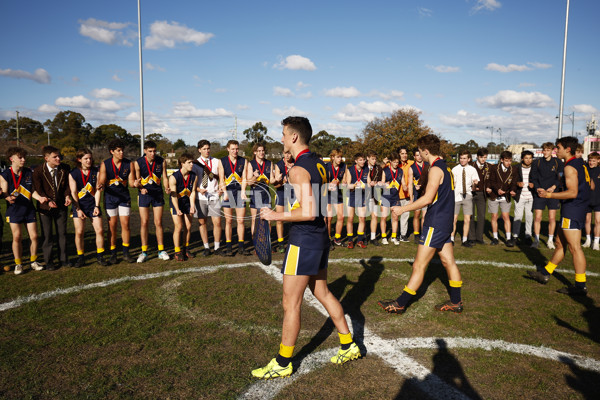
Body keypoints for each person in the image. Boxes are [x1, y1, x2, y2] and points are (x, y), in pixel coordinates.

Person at [253, 116, 360, 379]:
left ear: (293, 137)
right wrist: (285, 186)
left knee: (291, 303)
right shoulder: (318, 165)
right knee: (322, 292)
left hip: (303, 241)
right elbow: (310, 195)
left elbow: (309, 210)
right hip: (319, 239)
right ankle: (348, 344)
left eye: (283, 134)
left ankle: (282, 362)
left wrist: (275, 216)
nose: (280, 139)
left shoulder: (297, 169)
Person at [378, 134, 463, 315]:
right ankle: (456, 301)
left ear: (425, 151)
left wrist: (403, 209)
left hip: (436, 222)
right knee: (448, 262)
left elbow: (427, 199)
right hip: (446, 222)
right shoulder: (446, 168)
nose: (418, 154)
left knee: (418, 265)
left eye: (419, 151)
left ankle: (400, 303)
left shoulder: (435, 170)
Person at [527, 136, 592, 295]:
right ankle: (545, 273)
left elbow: (573, 192)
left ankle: (580, 286)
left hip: (573, 209)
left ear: (567, 149)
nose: (556, 150)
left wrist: (549, 196)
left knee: (575, 248)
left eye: (558, 147)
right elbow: (591, 185)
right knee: (560, 243)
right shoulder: (580, 163)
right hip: (575, 208)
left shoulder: (570, 167)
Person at [0, 147, 47, 275]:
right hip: (14, 210)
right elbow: (4, 192)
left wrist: (40, 198)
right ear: (11, 159)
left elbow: (32, 191)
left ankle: (33, 261)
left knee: (34, 236)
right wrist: (7, 197)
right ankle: (18, 264)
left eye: (24, 157)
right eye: (20, 157)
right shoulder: (4, 175)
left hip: (29, 209)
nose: (23, 160)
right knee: (17, 237)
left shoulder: (28, 172)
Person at [33, 145, 72, 270]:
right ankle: (49, 261)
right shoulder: (38, 171)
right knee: (47, 235)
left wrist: (67, 196)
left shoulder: (65, 168)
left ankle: (64, 259)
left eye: (59, 156)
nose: (58, 158)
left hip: (61, 206)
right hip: (45, 208)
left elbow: (67, 186)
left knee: (62, 234)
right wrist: (47, 201)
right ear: (46, 158)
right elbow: (38, 189)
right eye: (55, 157)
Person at [97, 139, 136, 264]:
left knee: (125, 225)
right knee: (112, 227)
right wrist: (101, 185)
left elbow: (131, 182)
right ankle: (113, 253)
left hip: (124, 198)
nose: (121, 152)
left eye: (122, 150)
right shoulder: (105, 164)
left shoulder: (129, 164)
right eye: (118, 150)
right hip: (110, 199)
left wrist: (135, 184)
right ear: (112, 152)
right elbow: (102, 180)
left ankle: (126, 252)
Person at [68, 149, 108, 267]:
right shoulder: (73, 173)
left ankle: (100, 256)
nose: (89, 160)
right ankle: (81, 257)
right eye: (86, 158)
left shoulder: (96, 171)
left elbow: (98, 190)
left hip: (92, 205)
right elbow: (74, 193)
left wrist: (97, 206)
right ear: (79, 160)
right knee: (79, 232)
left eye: (90, 158)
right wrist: (78, 209)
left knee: (100, 230)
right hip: (79, 206)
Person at [133, 141, 171, 262]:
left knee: (158, 222)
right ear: (145, 151)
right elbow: (137, 180)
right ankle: (144, 252)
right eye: (150, 151)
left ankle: (161, 250)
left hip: (158, 194)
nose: (153, 153)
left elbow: (164, 177)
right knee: (144, 222)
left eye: (154, 151)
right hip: (144, 194)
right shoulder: (138, 163)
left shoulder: (162, 161)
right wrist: (140, 188)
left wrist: (167, 187)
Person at [219, 140, 250, 256]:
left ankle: (241, 247)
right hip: (228, 193)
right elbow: (221, 179)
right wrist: (225, 193)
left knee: (241, 221)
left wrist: (243, 192)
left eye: (236, 149)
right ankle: (229, 247)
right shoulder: (222, 161)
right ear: (228, 149)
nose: (235, 151)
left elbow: (245, 178)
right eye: (232, 149)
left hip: (239, 193)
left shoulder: (243, 161)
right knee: (228, 221)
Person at [530, 142, 563, 249]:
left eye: (548, 150)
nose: (545, 152)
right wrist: (538, 188)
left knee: (552, 218)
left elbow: (561, 178)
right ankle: (536, 240)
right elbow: (533, 178)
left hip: (552, 194)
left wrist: (553, 187)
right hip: (539, 194)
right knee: (538, 217)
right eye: (544, 150)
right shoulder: (537, 162)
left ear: (552, 151)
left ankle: (550, 240)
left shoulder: (558, 162)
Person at [194, 139, 222, 257]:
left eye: (208, 148)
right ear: (199, 150)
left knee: (217, 222)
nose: (207, 151)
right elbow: (192, 182)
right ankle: (206, 247)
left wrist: (221, 188)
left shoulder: (216, 161)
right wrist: (199, 190)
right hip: (201, 196)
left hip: (214, 196)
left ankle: (217, 247)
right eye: (204, 149)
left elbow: (221, 177)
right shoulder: (194, 163)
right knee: (202, 222)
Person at [169, 153, 198, 261]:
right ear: (182, 164)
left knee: (188, 226)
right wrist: (177, 209)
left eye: (192, 162)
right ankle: (177, 251)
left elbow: (193, 192)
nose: (192, 164)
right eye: (189, 162)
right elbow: (173, 196)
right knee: (179, 226)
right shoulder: (174, 177)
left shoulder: (194, 176)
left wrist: (192, 206)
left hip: (187, 202)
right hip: (176, 202)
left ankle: (186, 249)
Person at [486, 151, 518, 247]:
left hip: (506, 196)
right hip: (494, 195)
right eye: (506, 161)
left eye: (510, 161)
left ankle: (508, 238)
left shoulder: (514, 169)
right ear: (501, 160)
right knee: (494, 216)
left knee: (505, 217)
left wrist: (512, 190)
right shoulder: (494, 168)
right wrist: (497, 189)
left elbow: (514, 183)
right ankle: (495, 238)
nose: (509, 163)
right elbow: (491, 181)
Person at [244, 143, 274, 236]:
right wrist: (254, 176)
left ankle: (266, 245)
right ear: (255, 152)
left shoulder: (269, 163)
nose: (261, 153)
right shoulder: (251, 164)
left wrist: (278, 179)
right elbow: (249, 183)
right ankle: (256, 247)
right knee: (255, 221)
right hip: (255, 195)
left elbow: (272, 180)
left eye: (263, 151)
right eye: (259, 151)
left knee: (268, 220)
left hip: (266, 195)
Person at [451, 150, 479, 247]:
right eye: (461, 158)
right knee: (454, 219)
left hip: (467, 195)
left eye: (464, 158)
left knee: (467, 219)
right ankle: (451, 239)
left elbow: (474, 187)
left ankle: (465, 240)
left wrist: (475, 184)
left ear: (469, 159)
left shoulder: (472, 170)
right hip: (456, 196)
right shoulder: (454, 169)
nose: (462, 160)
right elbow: (452, 184)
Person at [379, 152, 406, 245]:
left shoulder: (400, 171)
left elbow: (404, 183)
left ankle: (393, 237)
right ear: (390, 161)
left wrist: (408, 187)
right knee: (384, 217)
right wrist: (384, 185)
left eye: (397, 162)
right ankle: (383, 237)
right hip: (386, 197)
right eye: (394, 162)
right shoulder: (385, 170)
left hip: (395, 197)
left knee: (395, 218)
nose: (395, 164)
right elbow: (382, 182)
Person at [343, 153, 369, 248]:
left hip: (362, 196)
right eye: (360, 160)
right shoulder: (350, 170)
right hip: (351, 195)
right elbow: (347, 185)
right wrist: (354, 186)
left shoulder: (366, 169)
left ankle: (359, 240)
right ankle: (350, 241)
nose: (363, 162)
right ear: (356, 161)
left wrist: (364, 186)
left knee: (362, 218)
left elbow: (369, 184)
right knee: (350, 218)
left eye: (363, 160)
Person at [468, 148, 491, 245]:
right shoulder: (471, 166)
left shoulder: (489, 167)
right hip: (471, 193)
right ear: (477, 156)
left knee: (481, 216)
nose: (483, 159)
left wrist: (489, 187)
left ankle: (479, 237)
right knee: (471, 216)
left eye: (485, 157)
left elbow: (490, 180)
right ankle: (471, 237)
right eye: (481, 157)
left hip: (482, 194)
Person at [272, 150, 294, 253]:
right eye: (285, 153)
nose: (287, 155)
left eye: (289, 153)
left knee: (293, 219)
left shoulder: (296, 163)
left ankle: (293, 241)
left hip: (293, 193)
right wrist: (283, 181)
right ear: (283, 153)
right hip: (281, 193)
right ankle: (281, 243)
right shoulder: (279, 165)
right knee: (279, 219)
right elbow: (276, 185)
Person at [512, 150, 535, 245]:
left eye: (530, 158)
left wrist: (534, 185)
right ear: (522, 159)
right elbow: (512, 181)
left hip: (531, 197)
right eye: (526, 158)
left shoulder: (535, 168)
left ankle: (528, 235)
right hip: (520, 196)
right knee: (518, 216)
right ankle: (515, 236)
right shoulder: (516, 167)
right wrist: (517, 183)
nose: (528, 160)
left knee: (529, 217)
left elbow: (538, 180)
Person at [326, 149, 347, 247]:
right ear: (333, 157)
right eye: (338, 157)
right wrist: (328, 185)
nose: (340, 159)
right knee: (329, 218)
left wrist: (344, 182)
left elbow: (345, 179)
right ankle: (327, 239)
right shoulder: (327, 167)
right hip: (328, 194)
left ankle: (337, 238)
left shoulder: (343, 166)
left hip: (337, 194)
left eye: (340, 157)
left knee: (341, 217)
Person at [408, 148, 429, 244]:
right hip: (416, 194)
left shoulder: (427, 165)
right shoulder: (411, 168)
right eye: (417, 155)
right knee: (417, 215)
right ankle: (416, 234)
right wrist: (411, 198)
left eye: (420, 155)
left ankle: (423, 234)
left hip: (426, 193)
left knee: (425, 215)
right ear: (414, 157)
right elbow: (409, 184)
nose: (419, 157)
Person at [583, 152, 600, 250]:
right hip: (587, 199)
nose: (591, 162)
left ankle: (596, 242)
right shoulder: (585, 170)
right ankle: (588, 240)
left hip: (598, 200)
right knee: (587, 220)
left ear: (598, 161)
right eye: (590, 160)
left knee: (598, 221)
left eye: (593, 161)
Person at [397, 146, 414, 242]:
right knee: (395, 217)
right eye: (402, 153)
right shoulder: (394, 164)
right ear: (399, 154)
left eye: (405, 153)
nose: (404, 155)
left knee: (405, 216)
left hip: (407, 195)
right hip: (396, 195)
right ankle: (394, 234)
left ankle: (403, 235)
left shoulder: (411, 163)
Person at [366, 150, 383, 246]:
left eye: (375, 159)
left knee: (375, 215)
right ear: (367, 158)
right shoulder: (363, 168)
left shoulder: (378, 168)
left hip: (375, 195)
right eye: (372, 159)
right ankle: (363, 237)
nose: (374, 161)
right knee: (362, 217)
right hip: (363, 195)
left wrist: (378, 183)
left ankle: (373, 237)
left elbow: (381, 180)